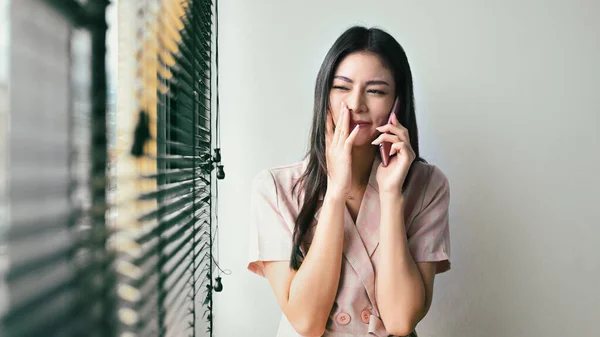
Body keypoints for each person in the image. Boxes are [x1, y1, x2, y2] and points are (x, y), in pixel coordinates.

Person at [247, 26, 451, 337]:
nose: (356, 104)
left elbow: (400, 320)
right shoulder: (275, 188)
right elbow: (306, 321)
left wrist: (391, 193)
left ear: (398, 102)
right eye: (342, 87)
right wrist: (335, 192)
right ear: (324, 95)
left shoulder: (427, 185)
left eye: (376, 91)